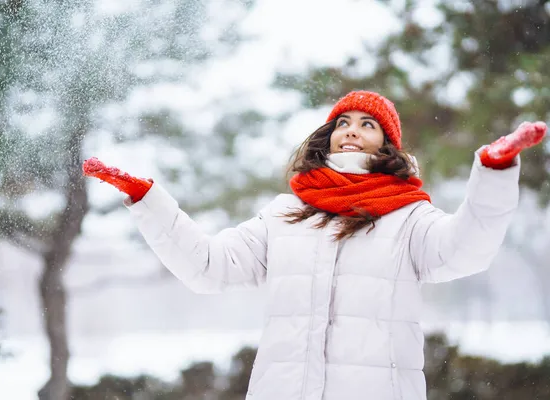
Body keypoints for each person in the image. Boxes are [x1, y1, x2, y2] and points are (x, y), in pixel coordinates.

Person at [83, 91, 547, 400]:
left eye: (368, 124)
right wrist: (147, 200)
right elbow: (208, 267)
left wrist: (493, 170)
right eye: (343, 121)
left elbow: (465, 250)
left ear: (386, 143)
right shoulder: (285, 214)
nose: (351, 129)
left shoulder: (407, 217)